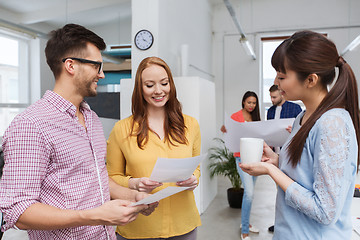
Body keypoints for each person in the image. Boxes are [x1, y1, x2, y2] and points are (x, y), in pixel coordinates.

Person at [0, 24, 157, 240]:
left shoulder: (91, 118)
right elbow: (19, 211)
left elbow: (97, 180)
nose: (101, 75)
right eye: (97, 66)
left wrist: (135, 196)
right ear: (71, 66)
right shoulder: (30, 125)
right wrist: (94, 216)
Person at [240, 30, 359, 240]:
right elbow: (305, 174)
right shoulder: (302, 117)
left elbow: (325, 211)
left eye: (283, 76)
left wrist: (270, 170)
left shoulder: (333, 124)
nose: (276, 82)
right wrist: (277, 161)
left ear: (311, 80)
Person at [106, 56, 201, 240]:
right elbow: (111, 178)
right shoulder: (122, 129)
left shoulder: (191, 125)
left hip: (183, 225)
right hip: (138, 227)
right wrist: (134, 183)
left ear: (171, 85)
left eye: (164, 83)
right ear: (140, 89)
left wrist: (193, 180)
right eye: (150, 85)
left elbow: (196, 168)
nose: (159, 91)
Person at [221, 91, 261, 240]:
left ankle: (246, 223)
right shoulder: (235, 117)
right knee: (249, 193)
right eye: (249, 102)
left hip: (255, 160)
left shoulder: (256, 118)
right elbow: (228, 134)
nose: (251, 105)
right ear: (243, 102)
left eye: (254, 103)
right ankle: (245, 230)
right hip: (241, 159)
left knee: (249, 195)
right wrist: (225, 130)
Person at [267, 84, 302, 232]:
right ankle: (281, 224)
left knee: (292, 191)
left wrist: (294, 130)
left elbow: (303, 131)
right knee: (279, 193)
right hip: (276, 155)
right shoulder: (270, 111)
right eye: (270, 97)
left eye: (274, 97)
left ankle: (293, 226)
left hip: (291, 156)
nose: (272, 99)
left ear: (281, 94)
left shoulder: (295, 109)